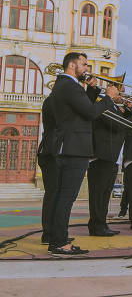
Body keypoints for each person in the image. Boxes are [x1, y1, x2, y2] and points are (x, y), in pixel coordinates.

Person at [48, 52, 118, 254]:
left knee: (61, 196)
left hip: (69, 146)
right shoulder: (69, 86)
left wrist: (93, 91)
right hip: (74, 148)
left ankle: (56, 238)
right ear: (72, 65)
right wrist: (108, 98)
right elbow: (90, 113)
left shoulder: (65, 86)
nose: (87, 68)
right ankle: (60, 242)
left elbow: (80, 110)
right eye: (84, 64)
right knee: (66, 197)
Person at [85, 79, 132, 236]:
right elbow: (118, 125)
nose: (122, 94)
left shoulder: (113, 106)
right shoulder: (102, 102)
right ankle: (96, 226)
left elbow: (122, 125)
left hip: (111, 155)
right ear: (111, 89)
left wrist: (130, 111)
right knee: (98, 194)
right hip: (101, 155)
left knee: (104, 194)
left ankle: (101, 224)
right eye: (120, 90)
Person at [38, 93, 58, 245]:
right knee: (53, 194)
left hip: (52, 151)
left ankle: (54, 232)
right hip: (51, 152)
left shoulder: (55, 100)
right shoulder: (53, 101)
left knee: (56, 194)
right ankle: (48, 233)